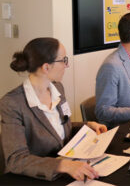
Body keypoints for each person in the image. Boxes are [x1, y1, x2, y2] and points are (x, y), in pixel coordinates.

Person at [0, 38, 107, 181]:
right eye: (63, 60)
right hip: (36, 178)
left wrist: (88, 126)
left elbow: (57, 128)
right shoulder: (12, 103)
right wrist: (62, 165)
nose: (67, 65)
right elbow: (16, 160)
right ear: (46, 67)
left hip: (68, 171)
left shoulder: (57, 88)